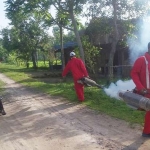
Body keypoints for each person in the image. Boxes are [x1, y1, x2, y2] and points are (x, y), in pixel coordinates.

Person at [131, 42, 150, 137]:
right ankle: (146, 132)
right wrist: (140, 87)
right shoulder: (141, 60)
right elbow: (134, 73)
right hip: (146, 91)